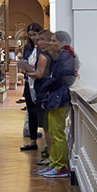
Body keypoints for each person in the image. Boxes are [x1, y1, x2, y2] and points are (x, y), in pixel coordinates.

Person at [35, 30, 78, 179]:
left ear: (62, 43)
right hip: (55, 96)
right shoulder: (62, 57)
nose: (50, 43)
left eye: (54, 41)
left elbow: (59, 79)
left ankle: (60, 166)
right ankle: (54, 163)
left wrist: (45, 86)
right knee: (53, 132)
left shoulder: (66, 57)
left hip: (59, 97)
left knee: (57, 133)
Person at [19, 28, 54, 165]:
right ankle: (49, 155)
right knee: (42, 122)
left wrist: (27, 72)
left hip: (42, 89)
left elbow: (39, 74)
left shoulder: (45, 55)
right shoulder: (33, 50)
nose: (36, 40)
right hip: (36, 87)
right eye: (32, 36)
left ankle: (52, 157)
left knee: (48, 126)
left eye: (38, 38)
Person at [19, 23, 44, 152]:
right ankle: (32, 140)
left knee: (40, 112)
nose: (32, 37)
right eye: (30, 35)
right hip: (29, 83)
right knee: (31, 112)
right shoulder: (27, 47)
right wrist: (24, 67)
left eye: (34, 34)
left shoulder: (43, 48)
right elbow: (24, 60)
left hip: (39, 84)